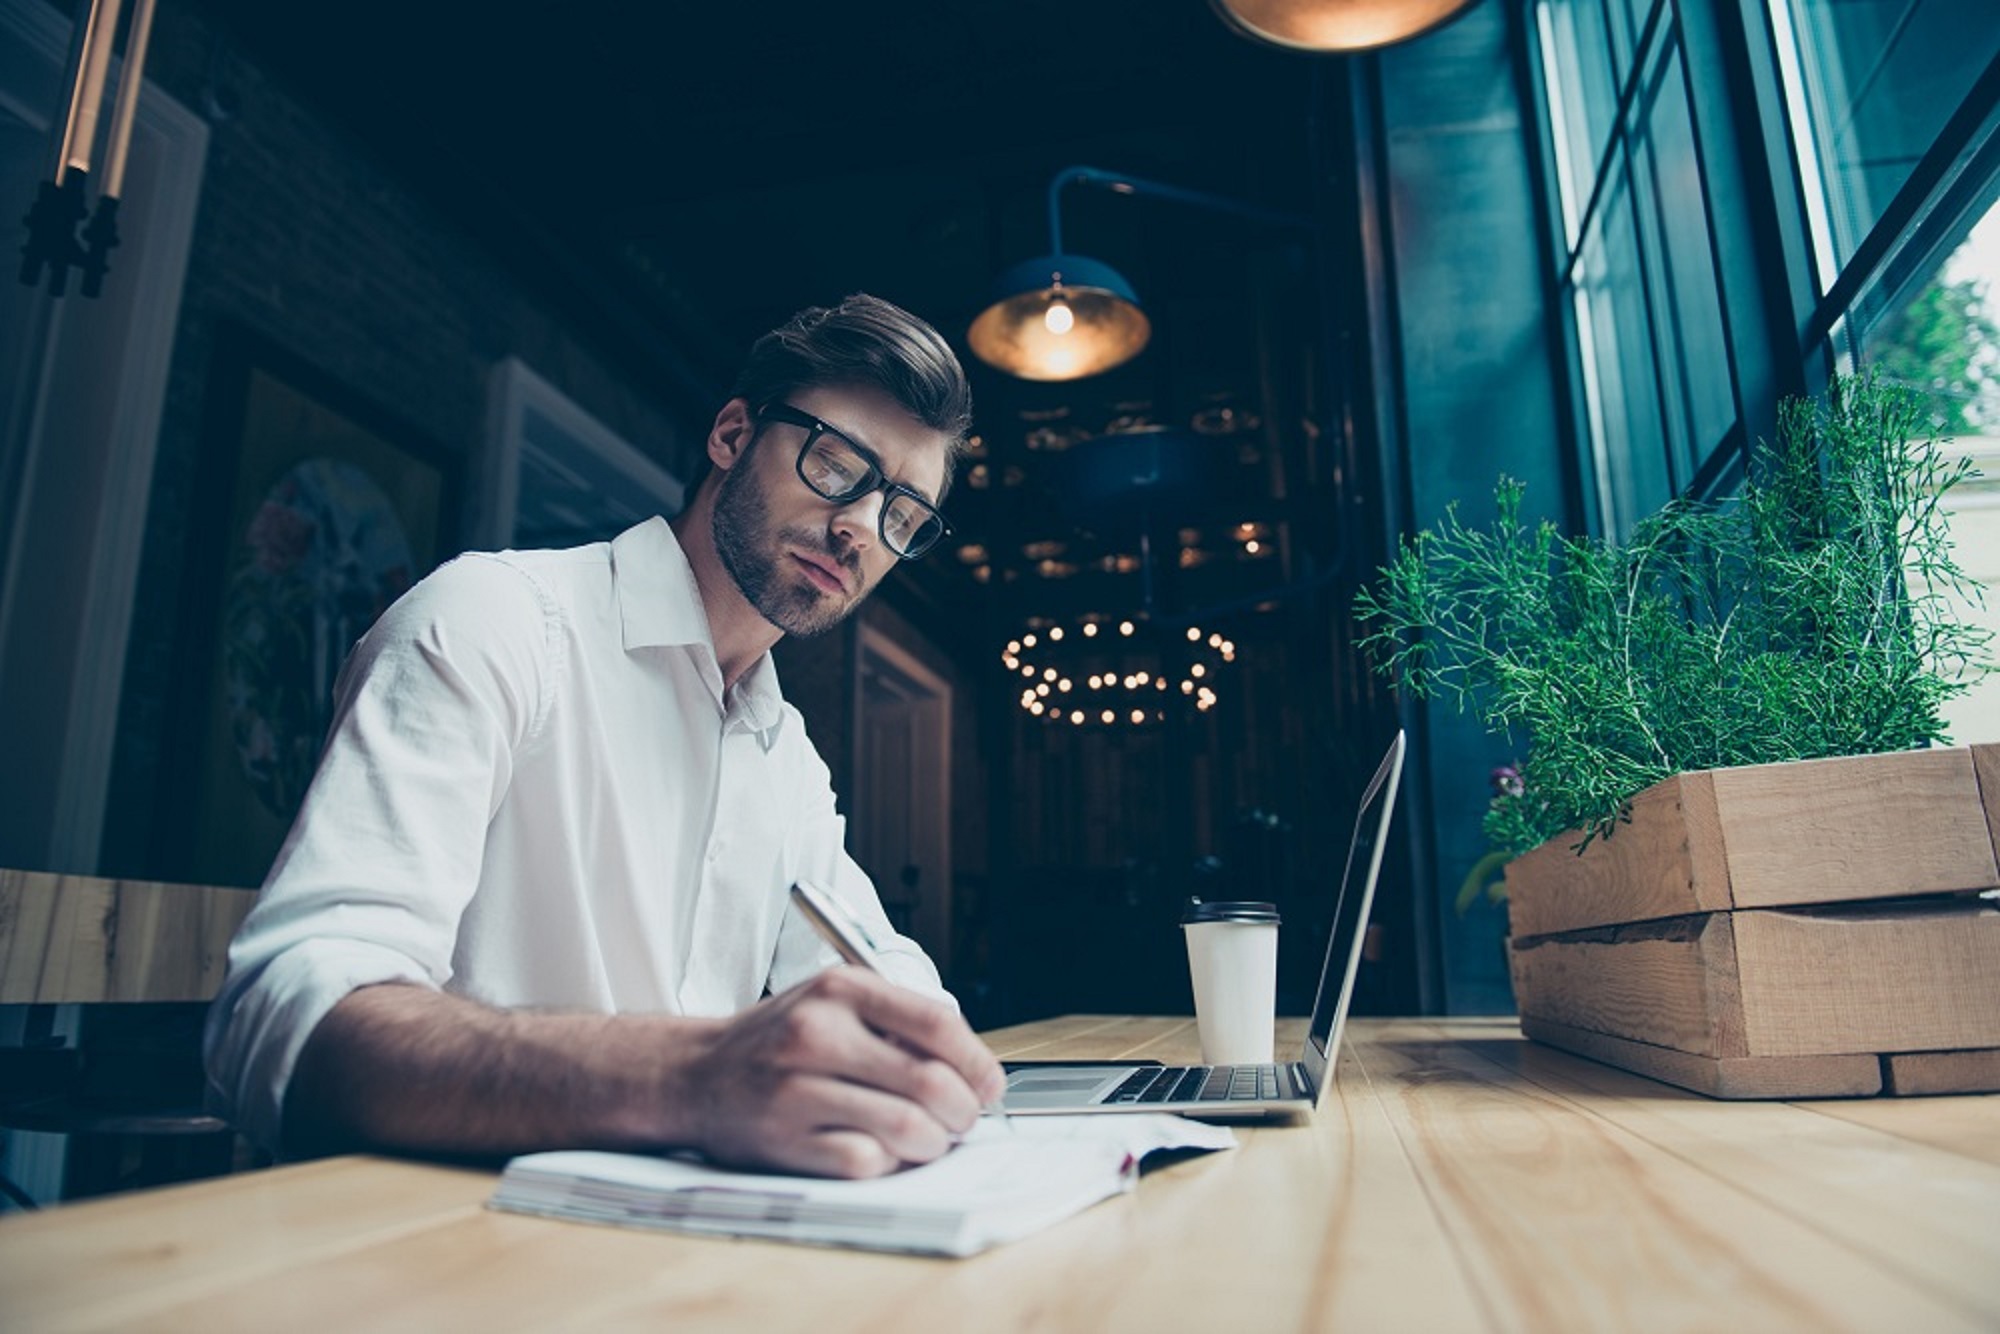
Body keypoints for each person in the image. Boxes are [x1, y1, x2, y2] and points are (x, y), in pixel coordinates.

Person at [204, 294, 1006, 1180]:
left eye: (901, 515)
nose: (860, 525)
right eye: (836, 463)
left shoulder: (786, 755)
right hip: (444, 1251)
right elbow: (283, 1018)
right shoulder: (490, 623)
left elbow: (875, 966)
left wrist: (952, 1075)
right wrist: (692, 1077)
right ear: (733, 436)